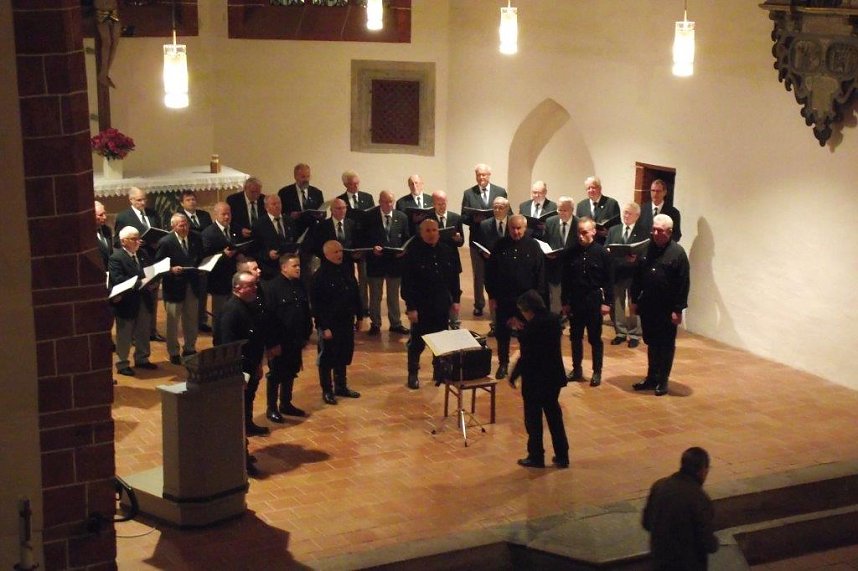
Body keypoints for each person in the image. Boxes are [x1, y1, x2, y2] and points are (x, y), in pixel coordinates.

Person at [214, 271, 275, 475]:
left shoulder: (249, 306)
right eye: (250, 286)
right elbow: (228, 346)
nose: (255, 289)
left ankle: (246, 440)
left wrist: (257, 363)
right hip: (236, 372)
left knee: (246, 406)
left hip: (249, 367)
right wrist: (238, 375)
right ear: (237, 288)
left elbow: (255, 338)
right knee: (236, 417)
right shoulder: (232, 311)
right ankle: (241, 459)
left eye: (255, 285)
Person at [508, 290, 569, 469]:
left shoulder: (531, 328)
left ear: (529, 310)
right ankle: (562, 455)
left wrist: (513, 376)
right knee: (554, 417)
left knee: (533, 419)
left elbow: (527, 356)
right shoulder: (553, 320)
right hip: (553, 377)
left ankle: (536, 456)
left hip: (535, 379)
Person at [631, 214, 690, 397]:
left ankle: (663, 380)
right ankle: (651, 377)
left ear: (669, 232)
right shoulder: (645, 249)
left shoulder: (678, 253)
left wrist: (678, 309)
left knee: (665, 344)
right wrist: (633, 300)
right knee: (651, 342)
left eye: (659, 231)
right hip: (648, 305)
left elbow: (683, 283)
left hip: (667, 308)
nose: (655, 233)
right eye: (654, 229)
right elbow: (637, 277)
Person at [401, 219, 462, 389]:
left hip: (441, 303)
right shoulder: (412, 252)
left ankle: (439, 371)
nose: (431, 233)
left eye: (434, 230)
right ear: (421, 232)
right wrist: (411, 308)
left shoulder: (447, 250)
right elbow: (407, 283)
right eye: (427, 230)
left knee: (440, 340)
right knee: (417, 342)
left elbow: (454, 278)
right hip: (421, 305)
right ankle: (413, 373)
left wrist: (456, 300)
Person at [485, 214, 545, 379]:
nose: (516, 231)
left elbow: (540, 274)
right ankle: (503, 363)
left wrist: (537, 300)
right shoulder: (499, 245)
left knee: (526, 335)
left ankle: (526, 364)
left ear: (525, 228)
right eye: (513, 228)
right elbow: (490, 273)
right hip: (504, 298)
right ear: (508, 228)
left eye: (519, 228)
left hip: (526, 301)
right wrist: (492, 295)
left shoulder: (533, 246)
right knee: (502, 334)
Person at [643, 447, 718, 570]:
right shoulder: (699, 498)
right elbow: (708, 543)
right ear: (702, 471)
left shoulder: (659, 486)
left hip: (659, 562)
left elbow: (646, 523)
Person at [561, 217, 613, 386]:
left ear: (593, 232)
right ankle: (577, 369)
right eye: (579, 233)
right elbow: (566, 279)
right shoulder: (570, 252)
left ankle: (597, 371)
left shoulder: (602, 253)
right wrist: (565, 301)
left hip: (593, 300)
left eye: (584, 232)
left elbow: (609, 280)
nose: (581, 236)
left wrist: (607, 303)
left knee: (595, 338)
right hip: (576, 299)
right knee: (575, 337)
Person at [262, 253, 312, 422]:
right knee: (276, 374)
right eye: (294, 266)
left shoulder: (300, 285)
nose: (298, 268)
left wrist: (306, 333)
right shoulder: (272, 288)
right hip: (280, 340)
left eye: (299, 265)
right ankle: (272, 408)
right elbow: (268, 318)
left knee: (291, 371)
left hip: (295, 338)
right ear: (284, 267)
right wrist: (272, 343)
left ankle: (286, 403)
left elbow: (305, 310)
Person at [312, 240, 363, 405]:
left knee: (343, 353)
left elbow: (355, 293)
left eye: (340, 251)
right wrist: (324, 326)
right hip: (330, 324)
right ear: (326, 255)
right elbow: (317, 305)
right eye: (335, 252)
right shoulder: (319, 276)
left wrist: (360, 316)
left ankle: (341, 386)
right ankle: (327, 390)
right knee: (327, 357)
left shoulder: (346, 270)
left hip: (346, 321)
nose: (340, 254)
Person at [114, 187, 164, 342]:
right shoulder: (123, 217)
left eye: (144, 199)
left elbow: (159, 232)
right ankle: (136, 334)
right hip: (135, 263)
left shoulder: (153, 214)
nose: (143, 203)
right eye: (139, 200)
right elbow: (117, 241)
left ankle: (151, 331)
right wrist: (135, 241)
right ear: (131, 200)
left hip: (152, 259)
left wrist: (157, 241)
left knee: (152, 298)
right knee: (137, 300)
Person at [108, 226, 157, 376]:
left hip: (144, 299)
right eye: (133, 239)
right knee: (125, 334)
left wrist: (153, 281)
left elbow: (151, 271)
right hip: (127, 300)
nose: (137, 241)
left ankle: (142, 358)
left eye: (138, 238)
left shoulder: (142, 254)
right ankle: (122, 363)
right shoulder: (116, 258)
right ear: (123, 241)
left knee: (143, 330)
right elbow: (118, 279)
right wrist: (140, 283)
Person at [156, 213, 204, 365]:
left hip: (192, 284)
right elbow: (158, 266)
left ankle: (190, 347)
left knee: (191, 319)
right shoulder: (165, 242)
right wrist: (170, 270)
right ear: (173, 227)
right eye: (181, 225)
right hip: (174, 287)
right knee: (172, 321)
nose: (185, 228)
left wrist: (202, 266)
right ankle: (174, 351)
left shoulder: (196, 237)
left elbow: (201, 256)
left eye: (186, 224)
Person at [461, 163, 507, 317]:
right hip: (477, 241)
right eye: (479, 175)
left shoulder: (500, 191)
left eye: (484, 175)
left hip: (496, 241)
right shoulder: (469, 193)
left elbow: (508, 212)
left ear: (489, 175)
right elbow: (464, 217)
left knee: (498, 274)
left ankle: (497, 302)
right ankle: (479, 304)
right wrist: (474, 218)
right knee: (478, 275)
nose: (481, 177)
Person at [365, 191, 411, 336]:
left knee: (393, 295)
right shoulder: (370, 217)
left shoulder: (401, 217)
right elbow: (363, 238)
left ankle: (395, 323)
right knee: (375, 296)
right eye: (385, 201)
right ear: (379, 201)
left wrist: (404, 251)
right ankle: (375, 323)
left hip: (394, 263)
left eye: (390, 201)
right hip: (376, 262)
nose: (388, 204)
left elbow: (407, 238)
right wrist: (372, 248)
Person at [606, 202, 648, 349]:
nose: (626, 215)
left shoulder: (643, 231)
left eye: (629, 213)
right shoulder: (614, 230)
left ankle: (635, 334)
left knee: (633, 304)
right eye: (624, 212)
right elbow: (606, 249)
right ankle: (620, 333)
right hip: (618, 272)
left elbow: (646, 253)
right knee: (617, 303)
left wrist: (636, 258)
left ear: (637, 215)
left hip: (634, 273)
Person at [278, 163, 325, 291]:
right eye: (303, 176)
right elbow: (279, 215)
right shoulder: (285, 193)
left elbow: (323, 213)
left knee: (308, 271)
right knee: (293, 269)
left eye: (308, 176)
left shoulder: (316, 192)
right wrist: (290, 216)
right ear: (295, 176)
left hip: (310, 236)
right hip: (293, 235)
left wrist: (320, 214)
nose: (306, 179)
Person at [174, 190, 213, 332]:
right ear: (182, 203)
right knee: (190, 295)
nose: (192, 202)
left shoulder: (204, 215)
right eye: (188, 200)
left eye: (193, 199)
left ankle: (201, 319)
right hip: (189, 257)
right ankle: (190, 322)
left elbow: (211, 231)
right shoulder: (179, 217)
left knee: (202, 292)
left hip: (204, 256)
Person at [337, 170, 375, 318]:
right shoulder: (340, 199)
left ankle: (364, 306)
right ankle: (353, 305)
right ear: (345, 184)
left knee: (364, 276)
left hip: (364, 241)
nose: (355, 186)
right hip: (349, 241)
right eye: (352, 184)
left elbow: (372, 216)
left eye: (357, 183)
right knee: (349, 277)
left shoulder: (367, 197)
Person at [427, 190, 464, 330]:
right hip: (434, 260)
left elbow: (461, 242)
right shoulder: (428, 219)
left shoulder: (455, 218)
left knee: (454, 291)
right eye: (438, 204)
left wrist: (458, 239)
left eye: (443, 203)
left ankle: (454, 322)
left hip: (452, 260)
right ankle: (438, 320)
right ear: (433, 204)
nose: (442, 206)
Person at [477, 196, 511, 336]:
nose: (497, 210)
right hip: (492, 268)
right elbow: (479, 245)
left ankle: (510, 326)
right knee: (493, 298)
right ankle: (495, 325)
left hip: (510, 269)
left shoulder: (512, 223)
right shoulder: (485, 224)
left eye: (501, 207)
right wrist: (483, 253)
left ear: (507, 209)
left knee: (509, 298)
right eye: (495, 207)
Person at [201, 202, 239, 326]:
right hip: (218, 278)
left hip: (233, 275)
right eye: (223, 214)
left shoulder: (234, 228)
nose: (227, 217)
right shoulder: (208, 233)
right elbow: (205, 256)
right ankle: (219, 336)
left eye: (229, 214)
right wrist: (223, 255)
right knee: (220, 311)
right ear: (215, 215)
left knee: (233, 309)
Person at [542, 196, 578, 315]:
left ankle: (570, 315)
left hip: (573, 266)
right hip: (554, 265)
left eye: (565, 210)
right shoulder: (550, 221)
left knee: (572, 295)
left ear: (572, 210)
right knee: (555, 296)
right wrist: (547, 253)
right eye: (559, 209)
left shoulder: (579, 223)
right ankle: (557, 319)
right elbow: (545, 241)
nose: (561, 213)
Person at [252, 194, 295, 280]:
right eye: (274, 204)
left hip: (289, 266)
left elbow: (294, 239)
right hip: (270, 269)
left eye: (279, 203)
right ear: (266, 207)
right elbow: (255, 249)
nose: (277, 206)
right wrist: (268, 254)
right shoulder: (259, 224)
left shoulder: (289, 220)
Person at [575, 176, 620, 244]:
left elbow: (617, 228)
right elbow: (578, 227)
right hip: (586, 246)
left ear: (600, 188)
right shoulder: (581, 206)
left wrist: (608, 233)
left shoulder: (611, 203)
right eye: (588, 188)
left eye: (593, 187)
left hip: (604, 244)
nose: (591, 190)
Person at [94, 0, 120, 88]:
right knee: (107, 41)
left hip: (113, 11)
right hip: (101, 12)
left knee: (115, 41)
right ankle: (103, 73)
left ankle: (105, 72)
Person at [95, 200, 113, 268]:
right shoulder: (88, 235)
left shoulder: (107, 230)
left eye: (105, 213)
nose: (105, 217)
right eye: (101, 215)